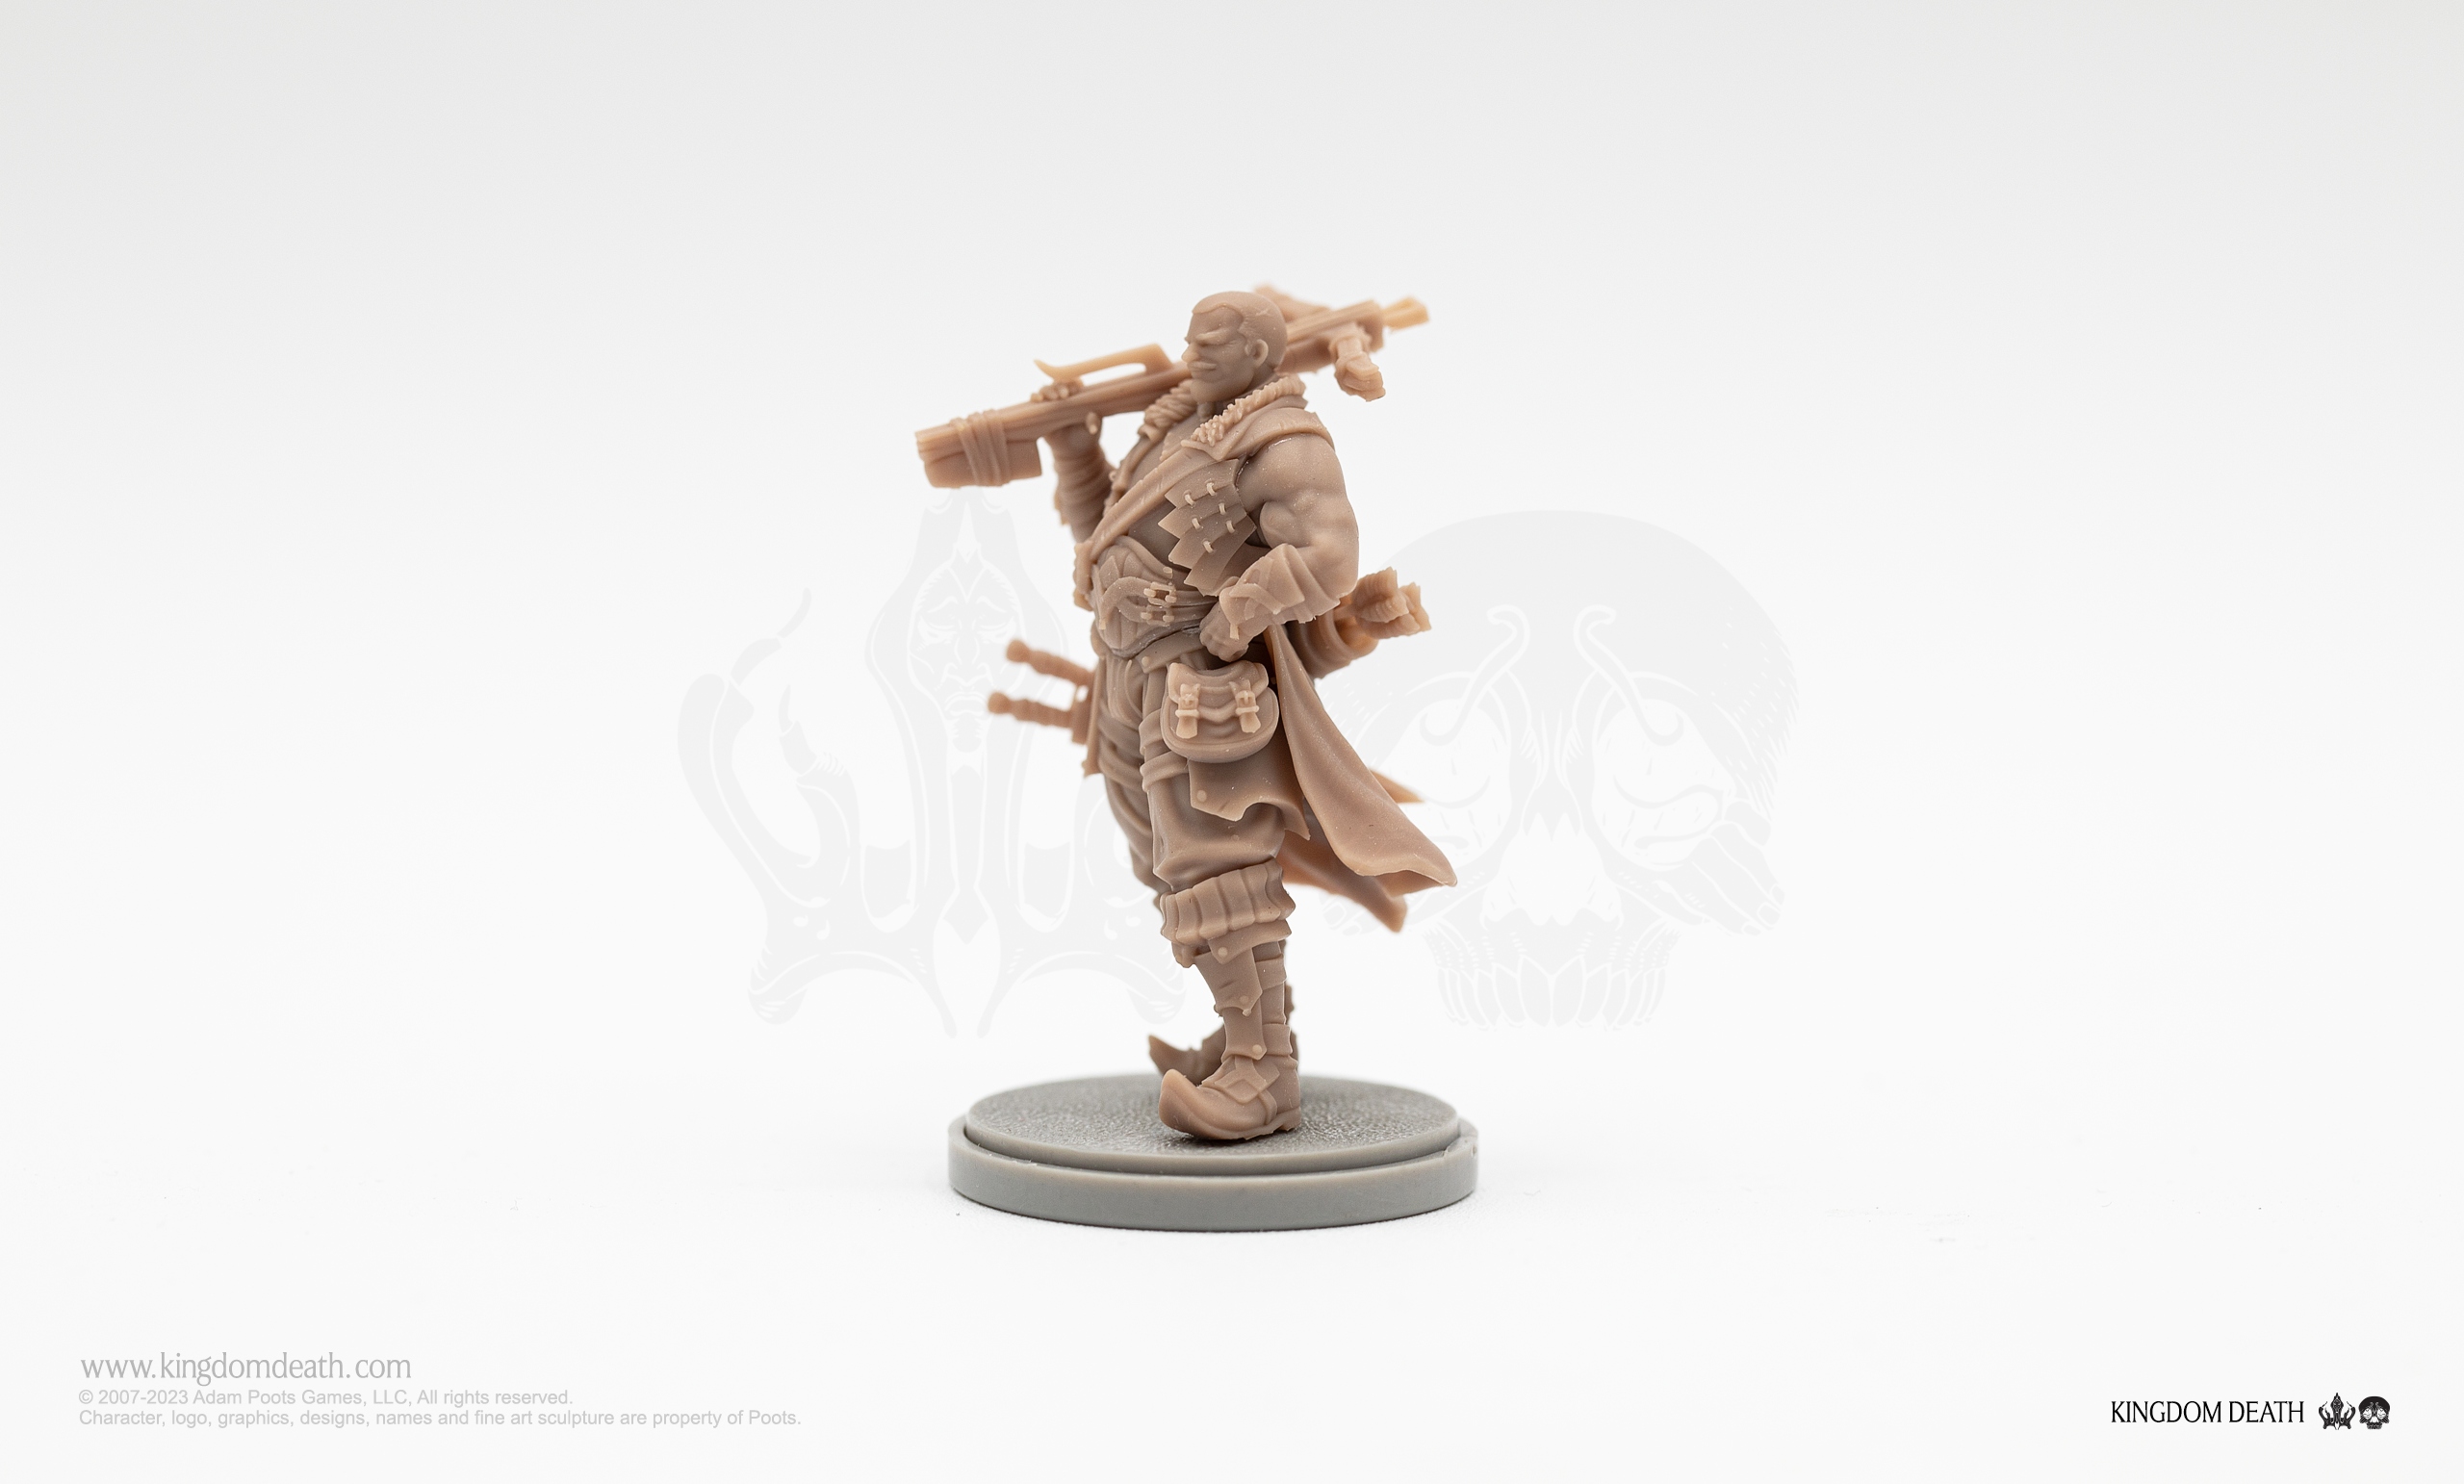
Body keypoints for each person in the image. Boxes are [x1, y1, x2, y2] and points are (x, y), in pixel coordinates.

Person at [1040, 291, 1453, 1139]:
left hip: (1200, 680)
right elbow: (1107, 536)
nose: (1192, 356)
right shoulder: (1176, 425)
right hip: (1127, 678)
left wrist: (1241, 611)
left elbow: (1329, 554)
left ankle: (1262, 1074)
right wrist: (1075, 450)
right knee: (1164, 864)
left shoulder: (1280, 440)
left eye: (1212, 345)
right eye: (1190, 342)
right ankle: (1251, 1035)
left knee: (1218, 867)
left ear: (1260, 354)